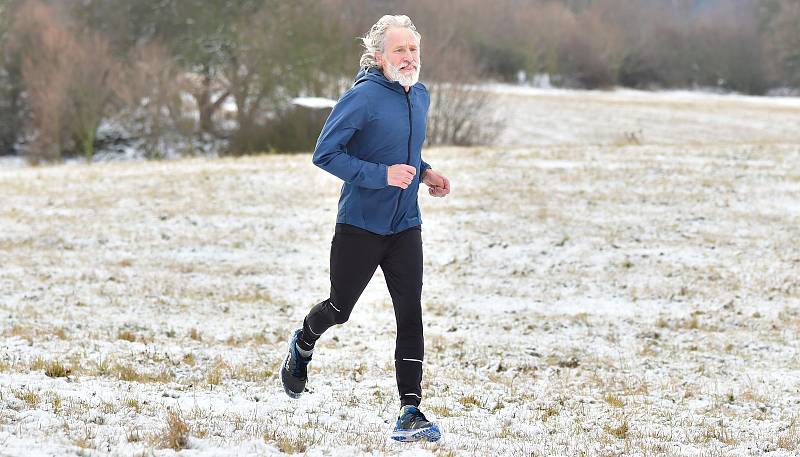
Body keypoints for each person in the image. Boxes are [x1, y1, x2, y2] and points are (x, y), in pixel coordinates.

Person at [279, 14, 450, 443]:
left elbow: (405, 151)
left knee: (410, 311)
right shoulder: (362, 98)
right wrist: (381, 175)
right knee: (339, 309)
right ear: (379, 56)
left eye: (413, 49)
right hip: (360, 225)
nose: (409, 57)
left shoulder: (421, 95)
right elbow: (325, 154)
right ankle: (303, 340)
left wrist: (425, 173)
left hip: (405, 225)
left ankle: (409, 411)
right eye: (399, 50)